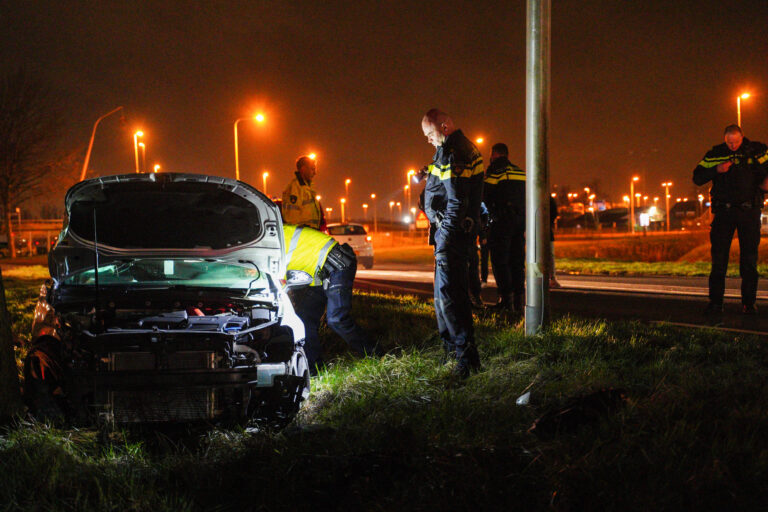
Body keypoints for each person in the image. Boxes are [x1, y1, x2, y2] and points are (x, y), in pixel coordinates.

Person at [421, 108, 484, 378]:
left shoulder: (454, 151)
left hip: (451, 235)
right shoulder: (452, 149)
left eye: (430, 134)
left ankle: (466, 360)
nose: (428, 140)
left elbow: (458, 199)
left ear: (444, 126)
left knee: (451, 298)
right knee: (442, 298)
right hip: (448, 233)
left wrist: (445, 234)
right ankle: (451, 352)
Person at [283, 223, 380, 373]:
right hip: (318, 274)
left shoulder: (271, 238)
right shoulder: (267, 239)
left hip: (337, 264)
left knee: (337, 319)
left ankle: (376, 355)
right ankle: (313, 369)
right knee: (303, 319)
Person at [693, 124, 768, 315]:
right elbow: (697, 177)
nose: (733, 146)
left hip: (749, 212)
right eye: (729, 142)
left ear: (742, 137)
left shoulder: (757, 151)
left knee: (749, 260)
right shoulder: (716, 154)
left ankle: (748, 304)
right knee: (719, 260)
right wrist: (717, 169)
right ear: (724, 139)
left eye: (736, 141)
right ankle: (716, 303)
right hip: (724, 213)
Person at [483, 142, 526, 311]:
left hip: (501, 224)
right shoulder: (521, 172)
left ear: (494, 154)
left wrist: (489, 218)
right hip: (520, 223)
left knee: (500, 262)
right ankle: (519, 301)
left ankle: (506, 301)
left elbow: (485, 197)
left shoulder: (495, 172)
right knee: (517, 262)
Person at [282, 156, 322, 229]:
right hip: (303, 234)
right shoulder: (295, 188)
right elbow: (292, 218)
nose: (315, 173)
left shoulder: (307, 187)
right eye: (312, 169)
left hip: (310, 232)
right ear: (303, 169)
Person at [549, 196, 562, 288]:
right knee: (549, 255)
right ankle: (551, 278)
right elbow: (554, 212)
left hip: (545, 229)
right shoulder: (547, 197)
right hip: (546, 229)